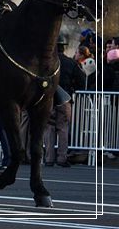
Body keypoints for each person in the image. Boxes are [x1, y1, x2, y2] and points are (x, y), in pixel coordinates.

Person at [44, 35, 86, 167]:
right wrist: (72, 89)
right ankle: (62, 158)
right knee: (63, 127)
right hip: (65, 98)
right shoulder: (71, 63)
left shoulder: (47, 63)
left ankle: (49, 158)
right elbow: (81, 81)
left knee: (49, 128)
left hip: (49, 98)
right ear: (64, 47)